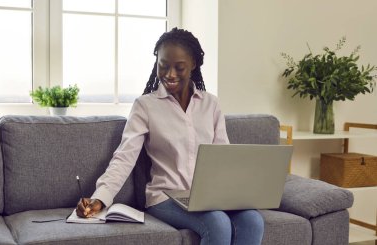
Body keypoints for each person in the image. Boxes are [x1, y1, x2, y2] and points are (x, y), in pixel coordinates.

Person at [76, 27, 264, 245]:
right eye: (163, 66)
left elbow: (223, 157)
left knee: (253, 221)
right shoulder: (145, 106)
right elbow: (124, 157)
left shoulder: (210, 104)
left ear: (193, 64)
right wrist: (100, 198)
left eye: (179, 67)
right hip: (166, 198)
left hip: (208, 197)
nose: (170, 74)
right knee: (218, 223)